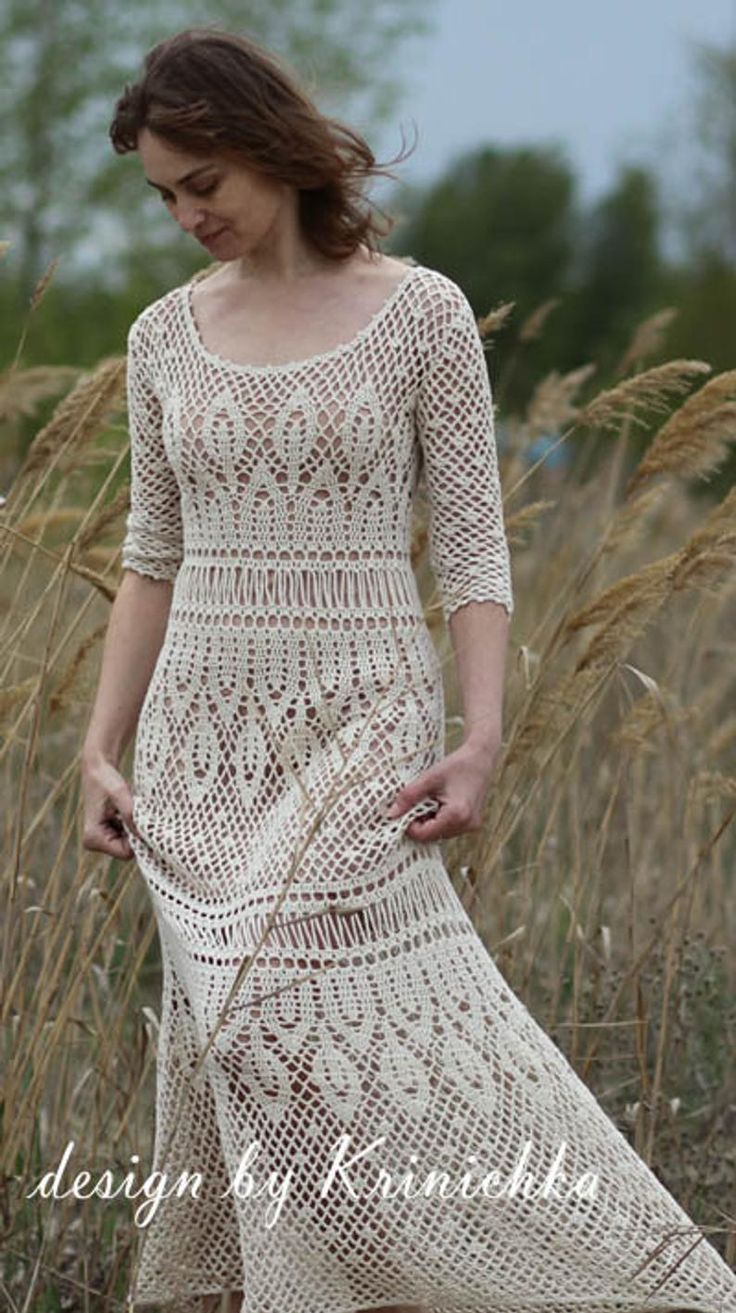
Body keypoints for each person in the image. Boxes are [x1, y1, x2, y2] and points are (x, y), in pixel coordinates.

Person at [80, 25, 736, 1313]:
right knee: (226, 1030)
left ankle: (590, 1268)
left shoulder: (420, 313)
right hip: (200, 741)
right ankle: (330, 1282)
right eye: (162, 195)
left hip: (363, 719)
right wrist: (100, 747)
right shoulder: (166, 334)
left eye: (199, 184)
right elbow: (149, 554)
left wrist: (481, 736)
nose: (183, 217)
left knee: (274, 991)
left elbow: (478, 553)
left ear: (269, 149)